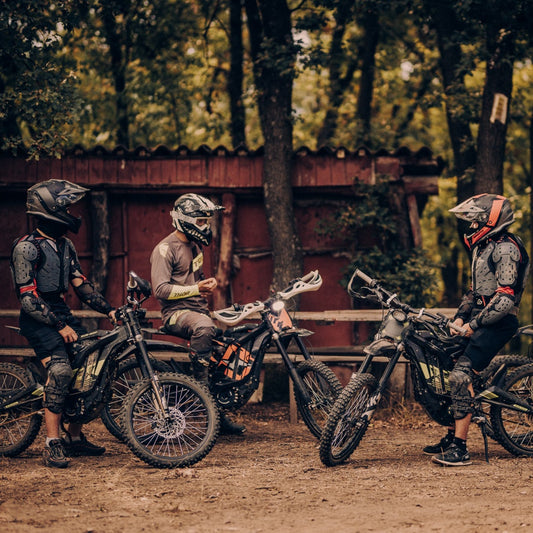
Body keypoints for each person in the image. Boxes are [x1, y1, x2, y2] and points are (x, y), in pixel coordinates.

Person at [10, 179, 116, 468]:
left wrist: (110, 311)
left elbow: (81, 286)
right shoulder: (26, 248)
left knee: (88, 365)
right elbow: (28, 300)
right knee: (60, 371)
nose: (71, 212)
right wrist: (59, 326)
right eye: (66, 207)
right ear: (50, 209)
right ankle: (52, 444)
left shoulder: (65, 245)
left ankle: (74, 438)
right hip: (37, 318)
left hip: (59, 311)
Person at [424, 193, 530, 466]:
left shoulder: (506, 248)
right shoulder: (485, 246)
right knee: (447, 365)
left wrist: (474, 325)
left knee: (460, 376)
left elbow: (505, 299)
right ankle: (451, 435)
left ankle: (461, 448)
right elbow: (474, 292)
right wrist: (460, 318)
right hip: (480, 318)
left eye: (475, 222)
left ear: (491, 221)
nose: (471, 228)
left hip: (498, 322)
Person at [150, 193, 245, 435]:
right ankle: (199, 387)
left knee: (231, 341)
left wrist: (203, 284)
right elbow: (160, 290)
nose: (206, 226)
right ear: (185, 220)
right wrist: (196, 288)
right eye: (201, 222)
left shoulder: (195, 246)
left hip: (199, 312)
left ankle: (218, 412)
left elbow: (195, 278)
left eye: (206, 222)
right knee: (204, 327)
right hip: (174, 314)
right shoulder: (164, 249)